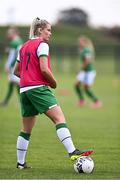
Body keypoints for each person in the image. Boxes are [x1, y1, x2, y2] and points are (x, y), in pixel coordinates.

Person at [14, 17, 93, 169]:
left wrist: (28, 77)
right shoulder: (42, 45)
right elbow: (44, 69)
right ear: (40, 30)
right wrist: (53, 82)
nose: (50, 33)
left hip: (24, 90)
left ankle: (20, 163)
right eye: (48, 30)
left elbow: (16, 71)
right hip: (38, 88)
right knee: (59, 119)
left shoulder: (23, 47)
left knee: (26, 130)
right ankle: (72, 152)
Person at [75, 36, 102, 108]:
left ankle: (97, 102)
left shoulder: (87, 50)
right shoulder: (83, 50)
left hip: (89, 72)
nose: (79, 43)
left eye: (80, 42)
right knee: (77, 84)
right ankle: (82, 101)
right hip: (84, 71)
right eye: (79, 42)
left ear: (84, 42)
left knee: (86, 88)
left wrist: (80, 69)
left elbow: (87, 60)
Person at [0, 27, 23, 106]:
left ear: (14, 33)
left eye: (9, 33)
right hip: (19, 65)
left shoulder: (14, 42)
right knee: (12, 83)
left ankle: (22, 101)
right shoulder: (20, 41)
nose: (8, 35)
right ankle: (6, 101)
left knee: (17, 83)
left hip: (14, 65)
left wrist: (7, 65)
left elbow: (12, 56)